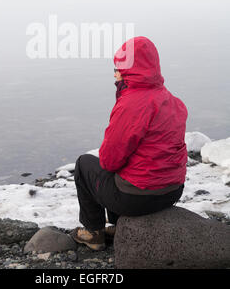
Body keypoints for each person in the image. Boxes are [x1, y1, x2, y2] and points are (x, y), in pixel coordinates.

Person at [71, 36, 188, 251]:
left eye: (119, 68)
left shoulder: (131, 104)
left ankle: (93, 232)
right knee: (129, 166)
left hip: (139, 198)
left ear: (131, 71)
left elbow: (108, 161)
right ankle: (119, 227)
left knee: (85, 165)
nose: (115, 73)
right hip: (173, 190)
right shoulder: (173, 101)